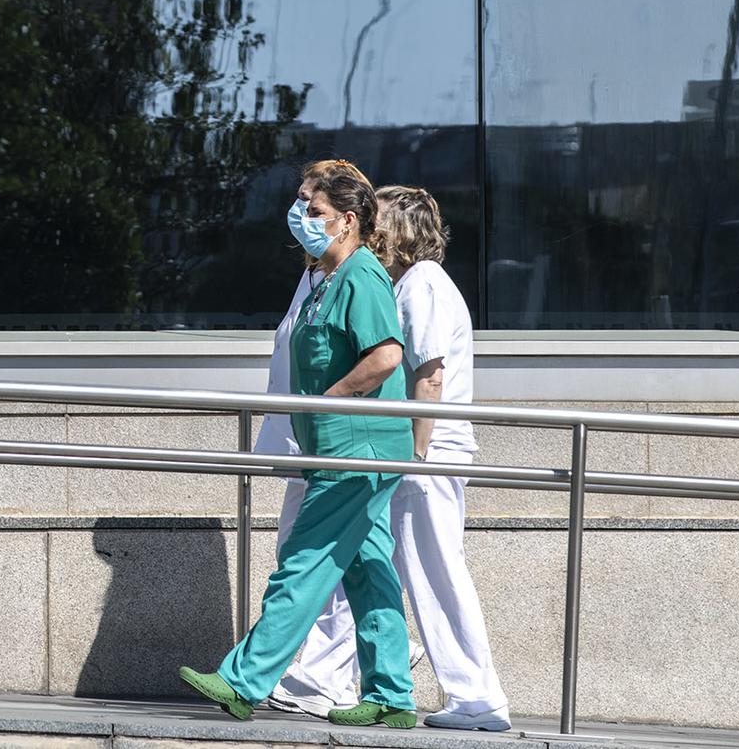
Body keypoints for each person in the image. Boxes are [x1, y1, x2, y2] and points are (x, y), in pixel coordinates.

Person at [178, 158, 417, 728]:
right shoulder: (324, 278)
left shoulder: (360, 275)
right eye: (301, 208)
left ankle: (243, 681)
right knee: (367, 567)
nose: (302, 219)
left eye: (315, 211)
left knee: (303, 563)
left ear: (349, 220)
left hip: (358, 447)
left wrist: (328, 400)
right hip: (338, 447)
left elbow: (387, 355)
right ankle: (392, 695)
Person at [268, 187, 510, 731]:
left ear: (396, 229)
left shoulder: (422, 283)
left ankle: (476, 697)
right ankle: (331, 678)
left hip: (425, 451)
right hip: (403, 449)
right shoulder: (402, 283)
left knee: (432, 572)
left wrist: (416, 455)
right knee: (370, 565)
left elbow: (429, 375)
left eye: (378, 220)